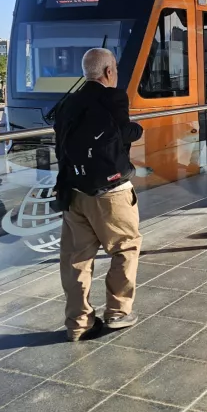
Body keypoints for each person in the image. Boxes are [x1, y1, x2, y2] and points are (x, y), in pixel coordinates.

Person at [54, 48, 144, 341]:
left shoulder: (68, 102)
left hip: (73, 192)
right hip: (111, 192)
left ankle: (78, 323)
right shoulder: (113, 97)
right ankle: (117, 312)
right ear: (108, 72)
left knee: (76, 259)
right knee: (125, 248)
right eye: (114, 68)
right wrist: (137, 130)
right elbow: (123, 132)